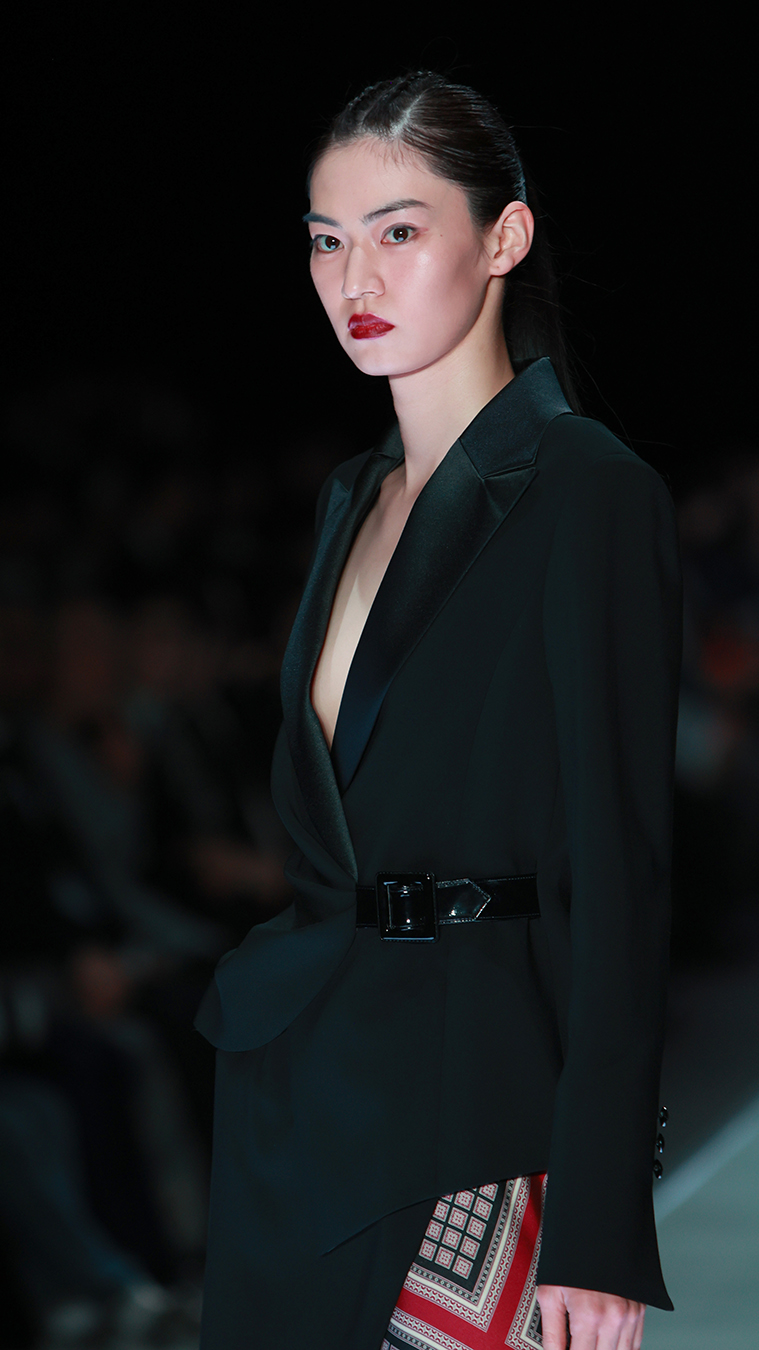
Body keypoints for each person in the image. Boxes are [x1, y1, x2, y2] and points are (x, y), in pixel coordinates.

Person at [195, 72, 681, 1349]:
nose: (355, 276)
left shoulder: (587, 493)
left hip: (474, 1122)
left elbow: (619, 875)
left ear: (504, 238)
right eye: (326, 240)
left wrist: (600, 1220)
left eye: (399, 230)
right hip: (296, 1105)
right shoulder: (349, 500)